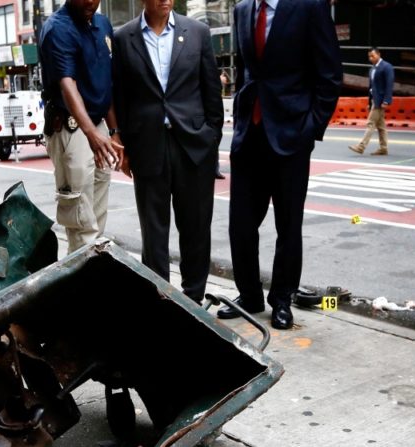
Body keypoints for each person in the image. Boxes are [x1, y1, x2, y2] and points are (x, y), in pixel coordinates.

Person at [220, 0, 342, 329]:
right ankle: (249, 295)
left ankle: (282, 299)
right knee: (240, 225)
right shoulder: (243, 9)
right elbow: (247, 71)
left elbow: (330, 75)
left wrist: (310, 129)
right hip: (250, 136)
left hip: (291, 136)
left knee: (288, 226)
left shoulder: (309, 7)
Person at [111, 0, 223, 304]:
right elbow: (121, 96)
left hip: (194, 148)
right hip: (147, 146)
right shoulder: (124, 38)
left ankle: (193, 302)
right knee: (154, 234)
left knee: (196, 230)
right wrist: (125, 145)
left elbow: (211, 90)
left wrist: (211, 140)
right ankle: (160, 303)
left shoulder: (197, 32)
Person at [39, 0, 122, 253]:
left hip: (98, 128)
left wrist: (114, 131)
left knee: (96, 216)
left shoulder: (103, 24)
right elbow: (67, 85)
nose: (90, 1)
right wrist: (91, 133)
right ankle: (81, 285)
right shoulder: (57, 28)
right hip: (72, 129)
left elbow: (106, 85)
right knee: (79, 220)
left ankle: (90, 277)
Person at [349, 47, 393, 156]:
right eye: (369, 56)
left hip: (380, 101)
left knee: (370, 123)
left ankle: (361, 146)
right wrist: (369, 102)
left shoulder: (387, 67)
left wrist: (386, 101)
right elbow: (371, 87)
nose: (371, 58)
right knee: (381, 126)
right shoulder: (372, 69)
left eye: (373, 56)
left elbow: (389, 85)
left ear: (379, 54)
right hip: (374, 100)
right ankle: (383, 148)